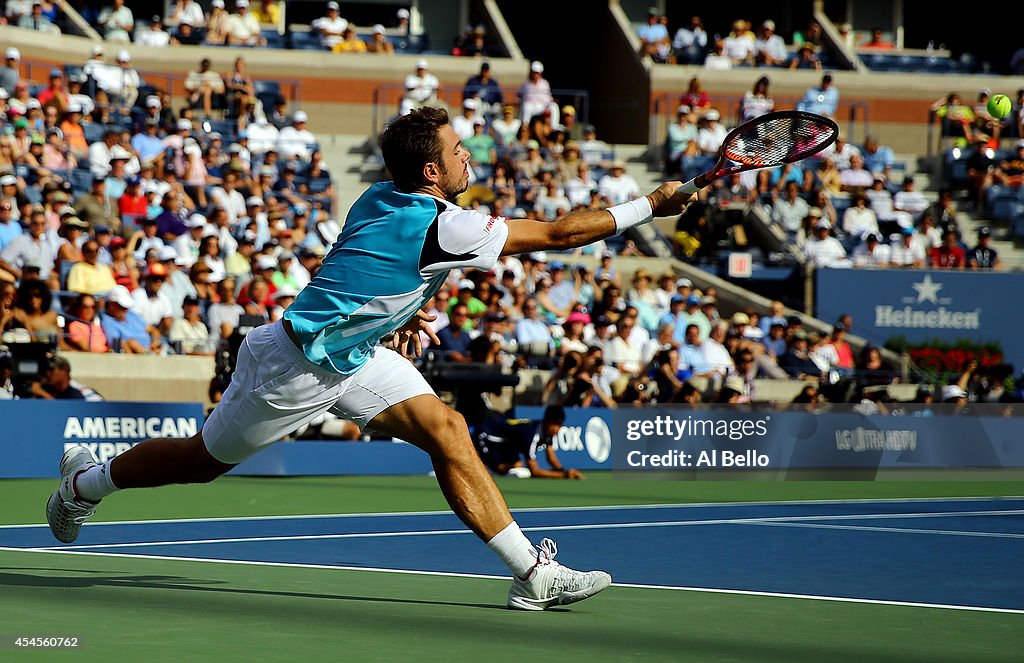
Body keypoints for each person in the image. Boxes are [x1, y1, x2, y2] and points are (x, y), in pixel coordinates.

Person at [46, 106, 692, 610]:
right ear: (432, 172)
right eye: (457, 151)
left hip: (355, 354)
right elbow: (557, 234)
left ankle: (534, 574)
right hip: (295, 366)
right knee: (198, 463)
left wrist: (406, 312)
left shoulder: (380, 195)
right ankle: (84, 483)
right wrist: (649, 206)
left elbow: (372, 269)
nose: (468, 156)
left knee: (449, 429)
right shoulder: (448, 225)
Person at [472, 406, 584, 479]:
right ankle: (484, 463)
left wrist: (562, 470)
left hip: (505, 444)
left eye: (560, 425)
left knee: (517, 465)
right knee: (500, 469)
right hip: (486, 435)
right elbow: (535, 471)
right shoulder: (531, 435)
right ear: (546, 422)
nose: (557, 429)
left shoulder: (548, 433)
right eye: (555, 425)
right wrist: (564, 475)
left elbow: (552, 458)